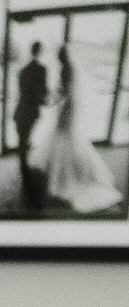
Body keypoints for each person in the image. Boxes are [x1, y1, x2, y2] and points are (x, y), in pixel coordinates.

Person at [42, 41, 125, 216]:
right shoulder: (70, 67)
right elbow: (68, 90)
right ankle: (75, 169)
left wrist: (54, 98)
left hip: (67, 108)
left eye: (59, 54)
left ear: (62, 56)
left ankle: (69, 174)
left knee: (64, 137)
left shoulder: (65, 69)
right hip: (71, 107)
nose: (58, 56)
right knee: (71, 138)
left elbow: (64, 90)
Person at [13, 37, 53, 212]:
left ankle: (24, 171)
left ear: (31, 51)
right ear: (40, 51)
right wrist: (48, 99)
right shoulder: (42, 70)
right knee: (25, 139)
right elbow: (43, 93)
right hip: (31, 111)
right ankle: (26, 177)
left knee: (22, 139)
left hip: (20, 110)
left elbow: (22, 91)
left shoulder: (22, 70)